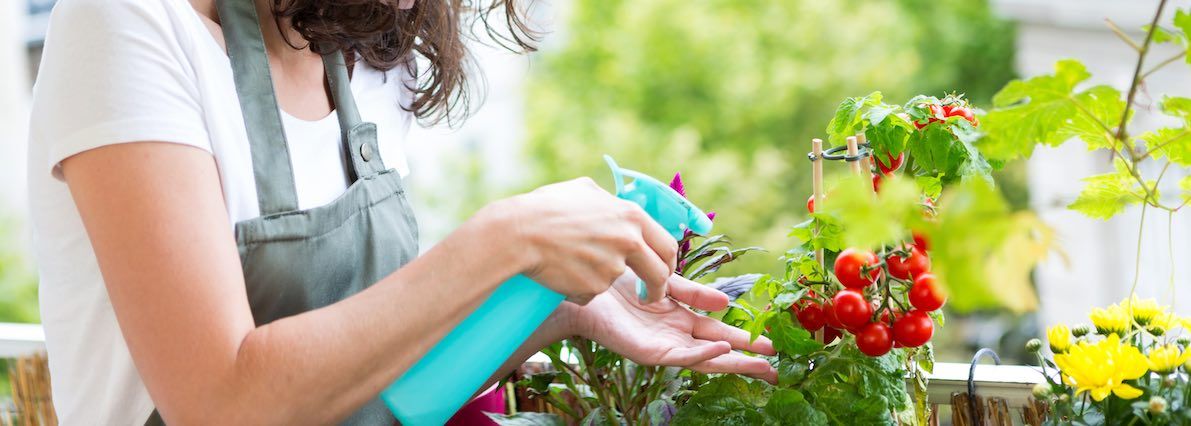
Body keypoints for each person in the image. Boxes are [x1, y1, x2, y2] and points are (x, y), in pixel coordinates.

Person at [25, 0, 777, 423]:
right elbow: (221, 401)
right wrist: (500, 243)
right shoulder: (128, 24)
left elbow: (383, 378)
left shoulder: (364, 48)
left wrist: (554, 310)